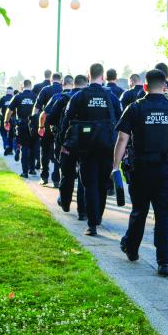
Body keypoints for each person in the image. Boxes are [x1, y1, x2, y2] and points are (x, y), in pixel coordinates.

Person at [113, 69, 168, 276]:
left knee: (138, 211)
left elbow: (122, 139)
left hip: (140, 169)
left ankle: (131, 249)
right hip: (167, 170)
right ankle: (164, 262)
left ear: (145, 87)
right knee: (165, 214)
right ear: (165, 88)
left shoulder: (135, 108)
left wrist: (115, 167)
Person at [59, 63, 122, 236]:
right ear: (102, 77)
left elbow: (67, 120)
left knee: (89, 185)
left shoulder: (79, 96)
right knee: (102, 184)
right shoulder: (112, 97)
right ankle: (98, 217)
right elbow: (121, 123)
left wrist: (64, 143)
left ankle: (92, 223)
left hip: (85, 148)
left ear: (88, 76)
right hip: (108, 147)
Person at [54, 75, 89, 220]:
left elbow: (51, 117)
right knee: (83, 176)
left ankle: (65, 202)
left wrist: (61, 142)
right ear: (86, 83)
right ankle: (82, 211)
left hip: (68, 142)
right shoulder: (89, 98)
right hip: (87, 142)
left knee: (67, 174)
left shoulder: (62, 98)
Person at [4, 79, 37, 178]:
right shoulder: (35, 96)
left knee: (24, 147)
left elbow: (9, 110)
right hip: (33, 125)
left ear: (22, 86)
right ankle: (32, 169)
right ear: (30, 86)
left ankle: (25, 172)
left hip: (22, 124)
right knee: (32, 147)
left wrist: (6, 121)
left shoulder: (18, 96)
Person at [35, 73, 64, 186]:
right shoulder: (63, 90)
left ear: (51, 79)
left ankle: (44, 176)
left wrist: (37, 124)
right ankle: (56, 178)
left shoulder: (45, 90)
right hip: (59, 125)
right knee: (58, 151)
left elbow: (37, 108)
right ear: (61, 80)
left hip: (46, 124)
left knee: (45, 151)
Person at [0, 86, 16, 155]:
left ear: (6, 91)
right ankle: (11, 150)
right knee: (11, 135)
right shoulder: (14, 98)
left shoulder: (3, 99)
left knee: (3, 133)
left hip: (4, 120)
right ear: (12, 92)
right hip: (12, 120)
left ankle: (6, 145)